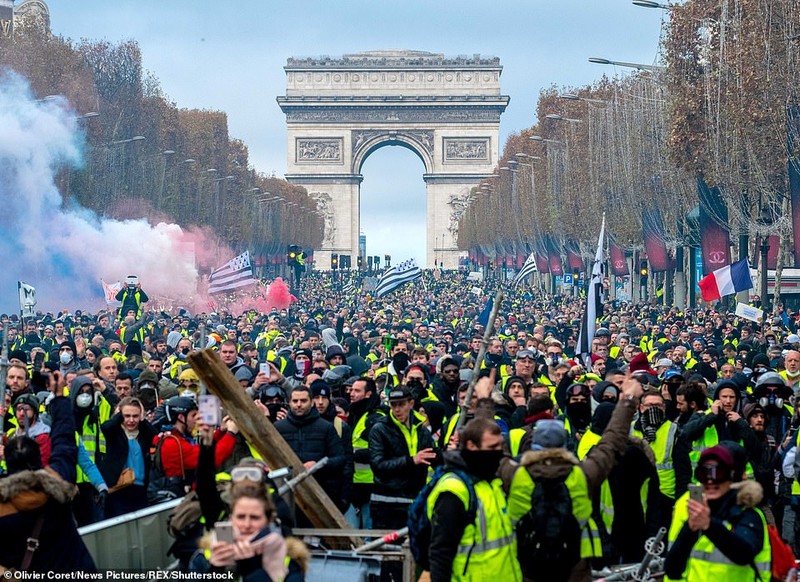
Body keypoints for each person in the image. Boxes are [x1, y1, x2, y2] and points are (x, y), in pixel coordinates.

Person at [499, 376, 644, 582]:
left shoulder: (516, 476)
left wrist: (484, 403)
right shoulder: (581, 475)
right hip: (576, 566)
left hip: (527, 566)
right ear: (563, 445)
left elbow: (495, 450)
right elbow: (611, 443)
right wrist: (628, 401)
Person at [0, 370, 97, 572]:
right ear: (39, 459)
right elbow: (64, 441)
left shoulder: (3, 509)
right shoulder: (58, 482)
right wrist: (60, 398)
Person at [428, 417, 521, 581]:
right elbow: (441, 553)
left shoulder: (491, 484)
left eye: (500, 446)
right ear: (471, 446)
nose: (498, 453)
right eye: (492, 447)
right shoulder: (455, 490)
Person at [664, 443, 771, 581]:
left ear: (731, 476)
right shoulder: (695, 511)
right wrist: (689, 529)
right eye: (704, 473)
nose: (710, 480)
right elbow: (673, 570)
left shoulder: (748, 513)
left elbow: (744, 553)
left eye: (718, 473)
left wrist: (709, 526)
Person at [369, 386, 439, 530]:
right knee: (387, 550)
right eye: (393, 404)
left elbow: (433, 456)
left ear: (411, 404)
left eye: (401, 404)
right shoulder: (380, 429)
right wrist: (411, 460)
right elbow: (378, 465)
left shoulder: (421, 430)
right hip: (387, 504)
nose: (397, 409)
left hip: (415, 500)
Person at [274, 385, 346, 516]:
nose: (299, 405)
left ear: (312, 402)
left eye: (303, 400)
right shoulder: (279, 428)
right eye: (295, 401)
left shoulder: (326, 428)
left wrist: (317, 465)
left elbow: (340, 459)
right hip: (288, 494)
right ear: (289, 402)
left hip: (321, 493)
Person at [99, 396, 157, 517]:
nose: (131, 420)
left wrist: (143, 419)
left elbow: (154, 435)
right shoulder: (115, 432)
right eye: (127, 416)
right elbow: (106, 427)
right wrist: (119, 416)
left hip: (140, 488)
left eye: (135, 416)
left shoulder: (144, 432)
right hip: (118, 488)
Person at [347, 377, 385, 529]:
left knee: (369, 531)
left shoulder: (375, 418)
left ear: (368, 394)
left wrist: (354, 455)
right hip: (357, 484)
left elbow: (381, 451)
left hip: (372, 484)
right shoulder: (358, 415)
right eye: (351, 390)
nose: (351, 394)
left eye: (357, 391)